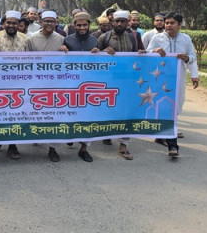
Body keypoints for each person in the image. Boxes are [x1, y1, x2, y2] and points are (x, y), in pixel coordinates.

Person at [146, 12, 199, 157]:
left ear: (179, 25)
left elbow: (193, 57)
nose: (168, 25)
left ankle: (161, 137)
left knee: (176, 107)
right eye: (167, 23)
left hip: (178, 78)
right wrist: (155, 51)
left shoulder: (186, 39)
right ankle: (173, 145)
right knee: (166, 108)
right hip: (160, 80)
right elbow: (147, 54)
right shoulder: (158, 38)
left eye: (172, 23)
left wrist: (193, 72)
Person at [97, 10, 144, 160]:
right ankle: (108, 132)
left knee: (127, 111)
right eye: (117, 21)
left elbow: (137, 55)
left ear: (127, 22)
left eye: (122, 21)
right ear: (112, 22)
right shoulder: (104, 37)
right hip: (109, 81)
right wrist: (103, 52)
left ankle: (123, 145)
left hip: (128, 81)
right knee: (109, 109)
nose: (119, 24)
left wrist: (143, 53)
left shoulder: (133, 37)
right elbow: (95, 58)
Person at [59, 12, 99, 162]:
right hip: (70, 84)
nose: (82, 28)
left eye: (85, 25)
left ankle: (84, 148)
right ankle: (70, 135)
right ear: (74, 25)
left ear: (89, 25)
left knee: (88, 115)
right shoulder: (67, 40)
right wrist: (62, 50)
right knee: (70, 113)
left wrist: (98, 52)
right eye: (79, 25)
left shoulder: (95, 40)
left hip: (89, 85)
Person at [26, 10, 65, 162]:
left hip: (56, 84)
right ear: (41, 22)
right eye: (46, 21)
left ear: (56, 23)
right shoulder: (32, 39)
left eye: (52, 21)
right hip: (36, 84)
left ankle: (53, 148)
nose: (49, 24)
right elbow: (27, 63)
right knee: (37, 112)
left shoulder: (61, 39)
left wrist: (65, 51)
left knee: (54, 115)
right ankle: (37, 134)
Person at [0, 10, 28, 159]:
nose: (11, 25)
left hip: (20, 85)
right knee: (0, 115)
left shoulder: (25, 40)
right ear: (4, 23)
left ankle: (12, 146)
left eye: (14, 23)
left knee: (15, 116)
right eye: (9, 23)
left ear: (19, 25)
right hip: (1, 84)